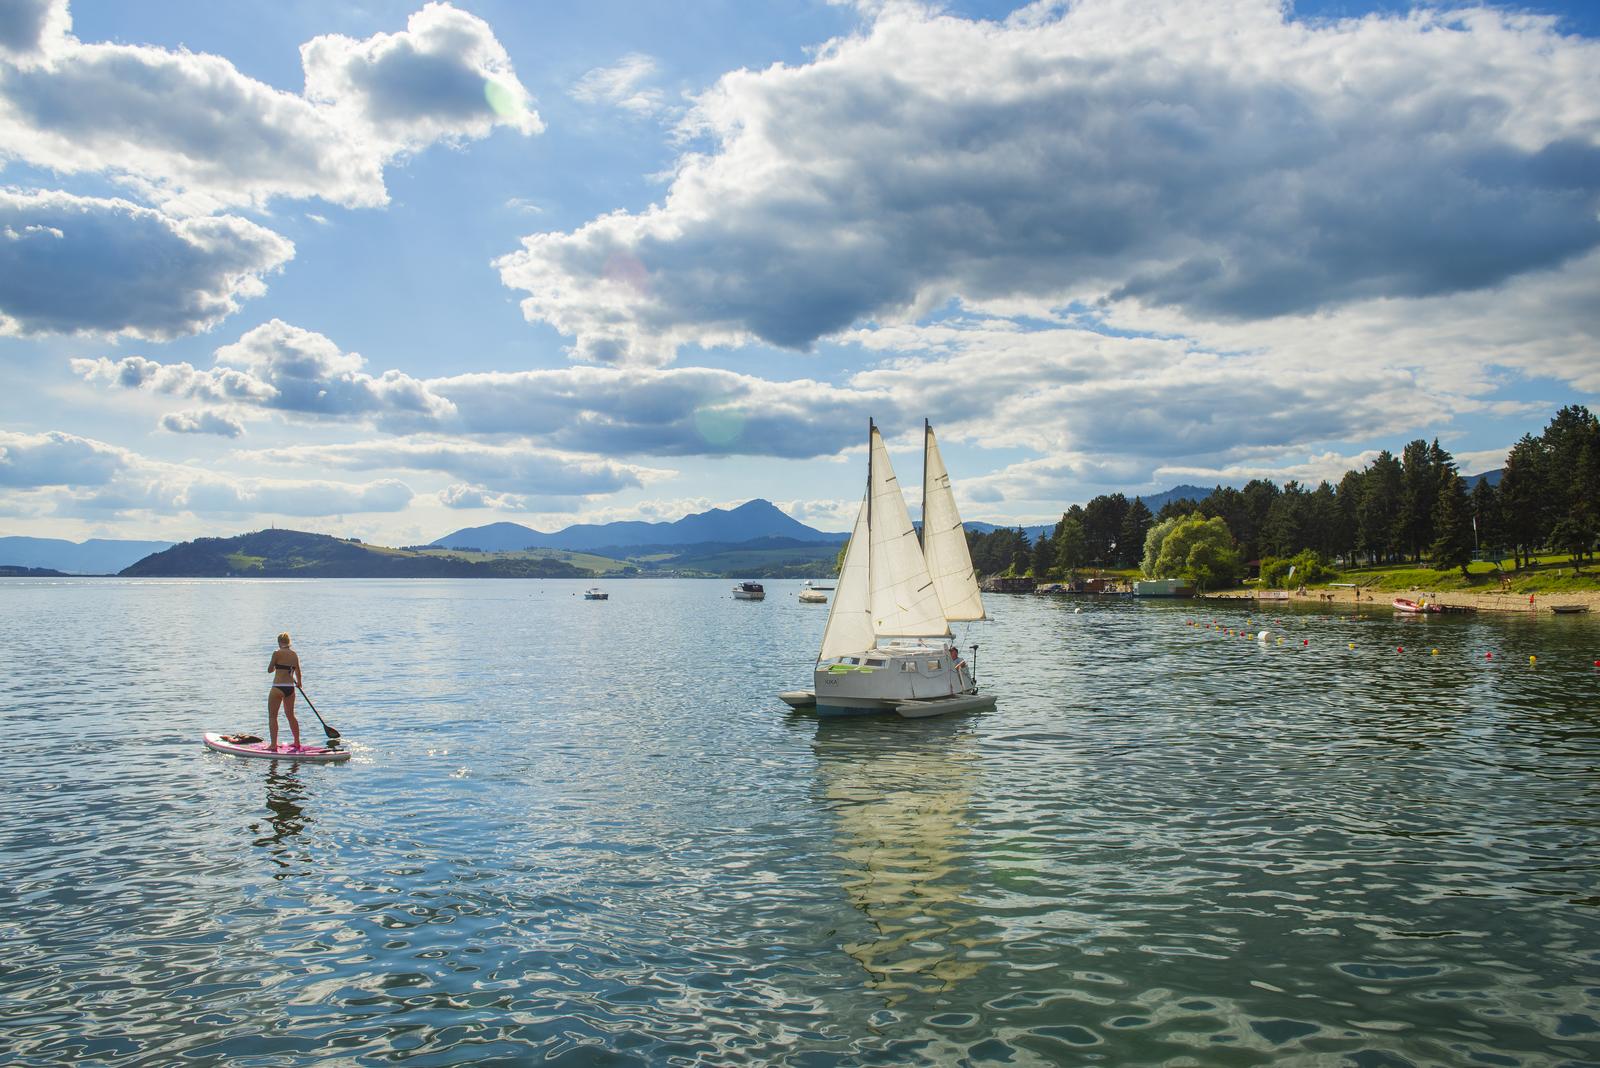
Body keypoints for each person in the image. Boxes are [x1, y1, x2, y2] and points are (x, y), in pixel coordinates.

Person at [266, 632, 303, 752]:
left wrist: (277, 664)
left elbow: (269, 670)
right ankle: (297, 741)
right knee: (290, 715)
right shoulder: (294, 654)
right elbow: (298, 670)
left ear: (279, 642)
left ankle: (273, 745)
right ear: (288, 642)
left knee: (272, 716)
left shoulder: (276, 653)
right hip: (290, 688)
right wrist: (299, 682)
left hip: (277, 687)